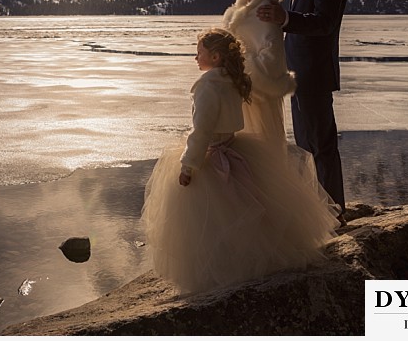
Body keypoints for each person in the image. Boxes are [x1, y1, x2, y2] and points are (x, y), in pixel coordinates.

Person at [141, 27, 337, 295]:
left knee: (211, 218)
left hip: (211, 156)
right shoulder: (233, 81)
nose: (195, 58)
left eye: (199, 53)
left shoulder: (208, 86)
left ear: (216, 57)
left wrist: (189, 166)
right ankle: (256, 259)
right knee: (248, 209)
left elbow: (202, 131)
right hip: (237, 149)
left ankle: (218, 271)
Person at [258, 0, 348, 223]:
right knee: (307, 148)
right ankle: (319, 210)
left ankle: (334, 212)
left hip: (314, 75)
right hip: (300, 76)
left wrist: (285, 19)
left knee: (321, 147)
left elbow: (324, 24)